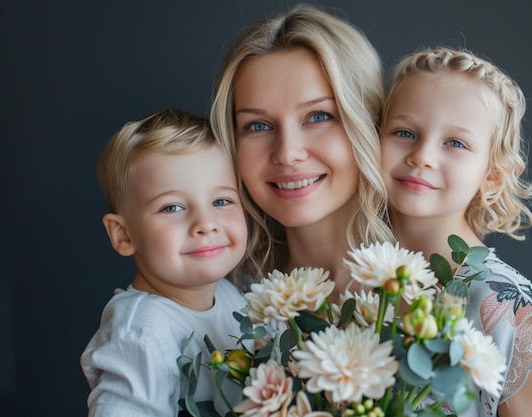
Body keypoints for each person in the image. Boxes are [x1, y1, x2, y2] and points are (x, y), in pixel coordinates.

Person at [380, 47, 532, 417]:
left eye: (455, 143)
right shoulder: (356, 277)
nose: (422, 155)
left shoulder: (507, 312)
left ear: (491, 176)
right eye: (404, 132)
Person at [210, 4, 394, 300]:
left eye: (318, 116)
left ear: (369, 122)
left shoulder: (448, 289)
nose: (287, 152)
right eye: (257, 125)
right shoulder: (221, 301)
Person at [81, 107, 251, 417]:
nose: (206, 223)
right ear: (123, 235)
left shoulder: (230, 296)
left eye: (221, 201)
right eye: (172, 207)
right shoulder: (141, 332)